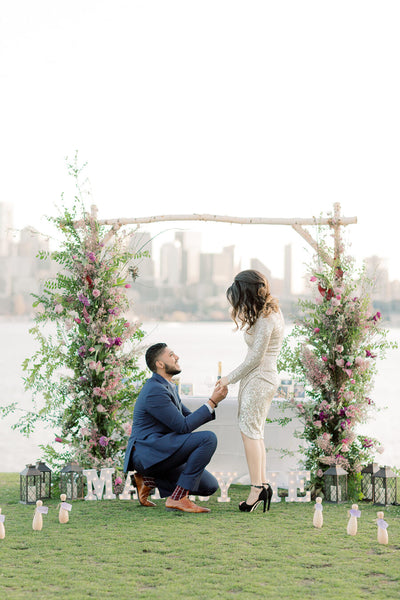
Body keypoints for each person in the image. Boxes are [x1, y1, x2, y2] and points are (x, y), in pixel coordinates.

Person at [124, 342, 228, 513]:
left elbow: (186, 418)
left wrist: (213, 401)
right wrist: (212, 401)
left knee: (209, 486)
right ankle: (178, 498)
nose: (177, 357)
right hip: (148, 454)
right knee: (208, 438)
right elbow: (183, 426)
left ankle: (147, 481)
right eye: (171, 355)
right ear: (160, 364)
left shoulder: (167, 386)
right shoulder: (155, 390)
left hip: (163, 452)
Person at [216, 270, 284, 512]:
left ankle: (257, 488)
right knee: (255, 433)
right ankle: (262, 484)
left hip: (260, 379)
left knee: (250, 434)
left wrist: (228, 379)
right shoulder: (270, 312)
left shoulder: (267, 318)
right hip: (258, 379)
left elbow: (255, 358)